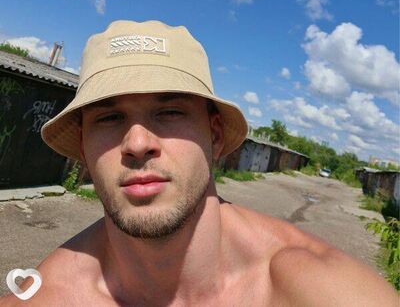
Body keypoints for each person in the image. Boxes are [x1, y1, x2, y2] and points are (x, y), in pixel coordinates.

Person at [1, 20, 397, 306]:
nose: (136, 144)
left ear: (216, 136)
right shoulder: (48, 296)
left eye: (170, 112)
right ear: (84, 148)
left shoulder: (326, 291)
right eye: (109, 117)